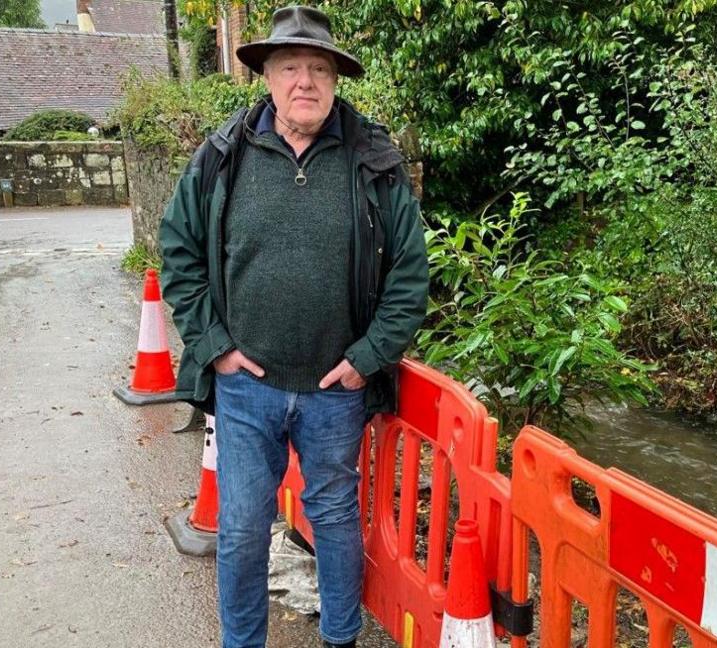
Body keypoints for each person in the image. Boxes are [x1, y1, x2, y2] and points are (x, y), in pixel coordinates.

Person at [157, 6, 429, 647]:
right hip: (246, 388)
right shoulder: (222, 157)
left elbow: (410, 276)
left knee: (334, 518)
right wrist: (214, 346)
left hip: (336, 390)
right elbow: (179, 251)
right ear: (267, 78)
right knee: (244, 527)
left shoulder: (374, 164)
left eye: (317, 68)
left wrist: (368, 356)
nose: (304, 81)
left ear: (335, 79)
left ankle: (340, 639)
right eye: (289, 68)